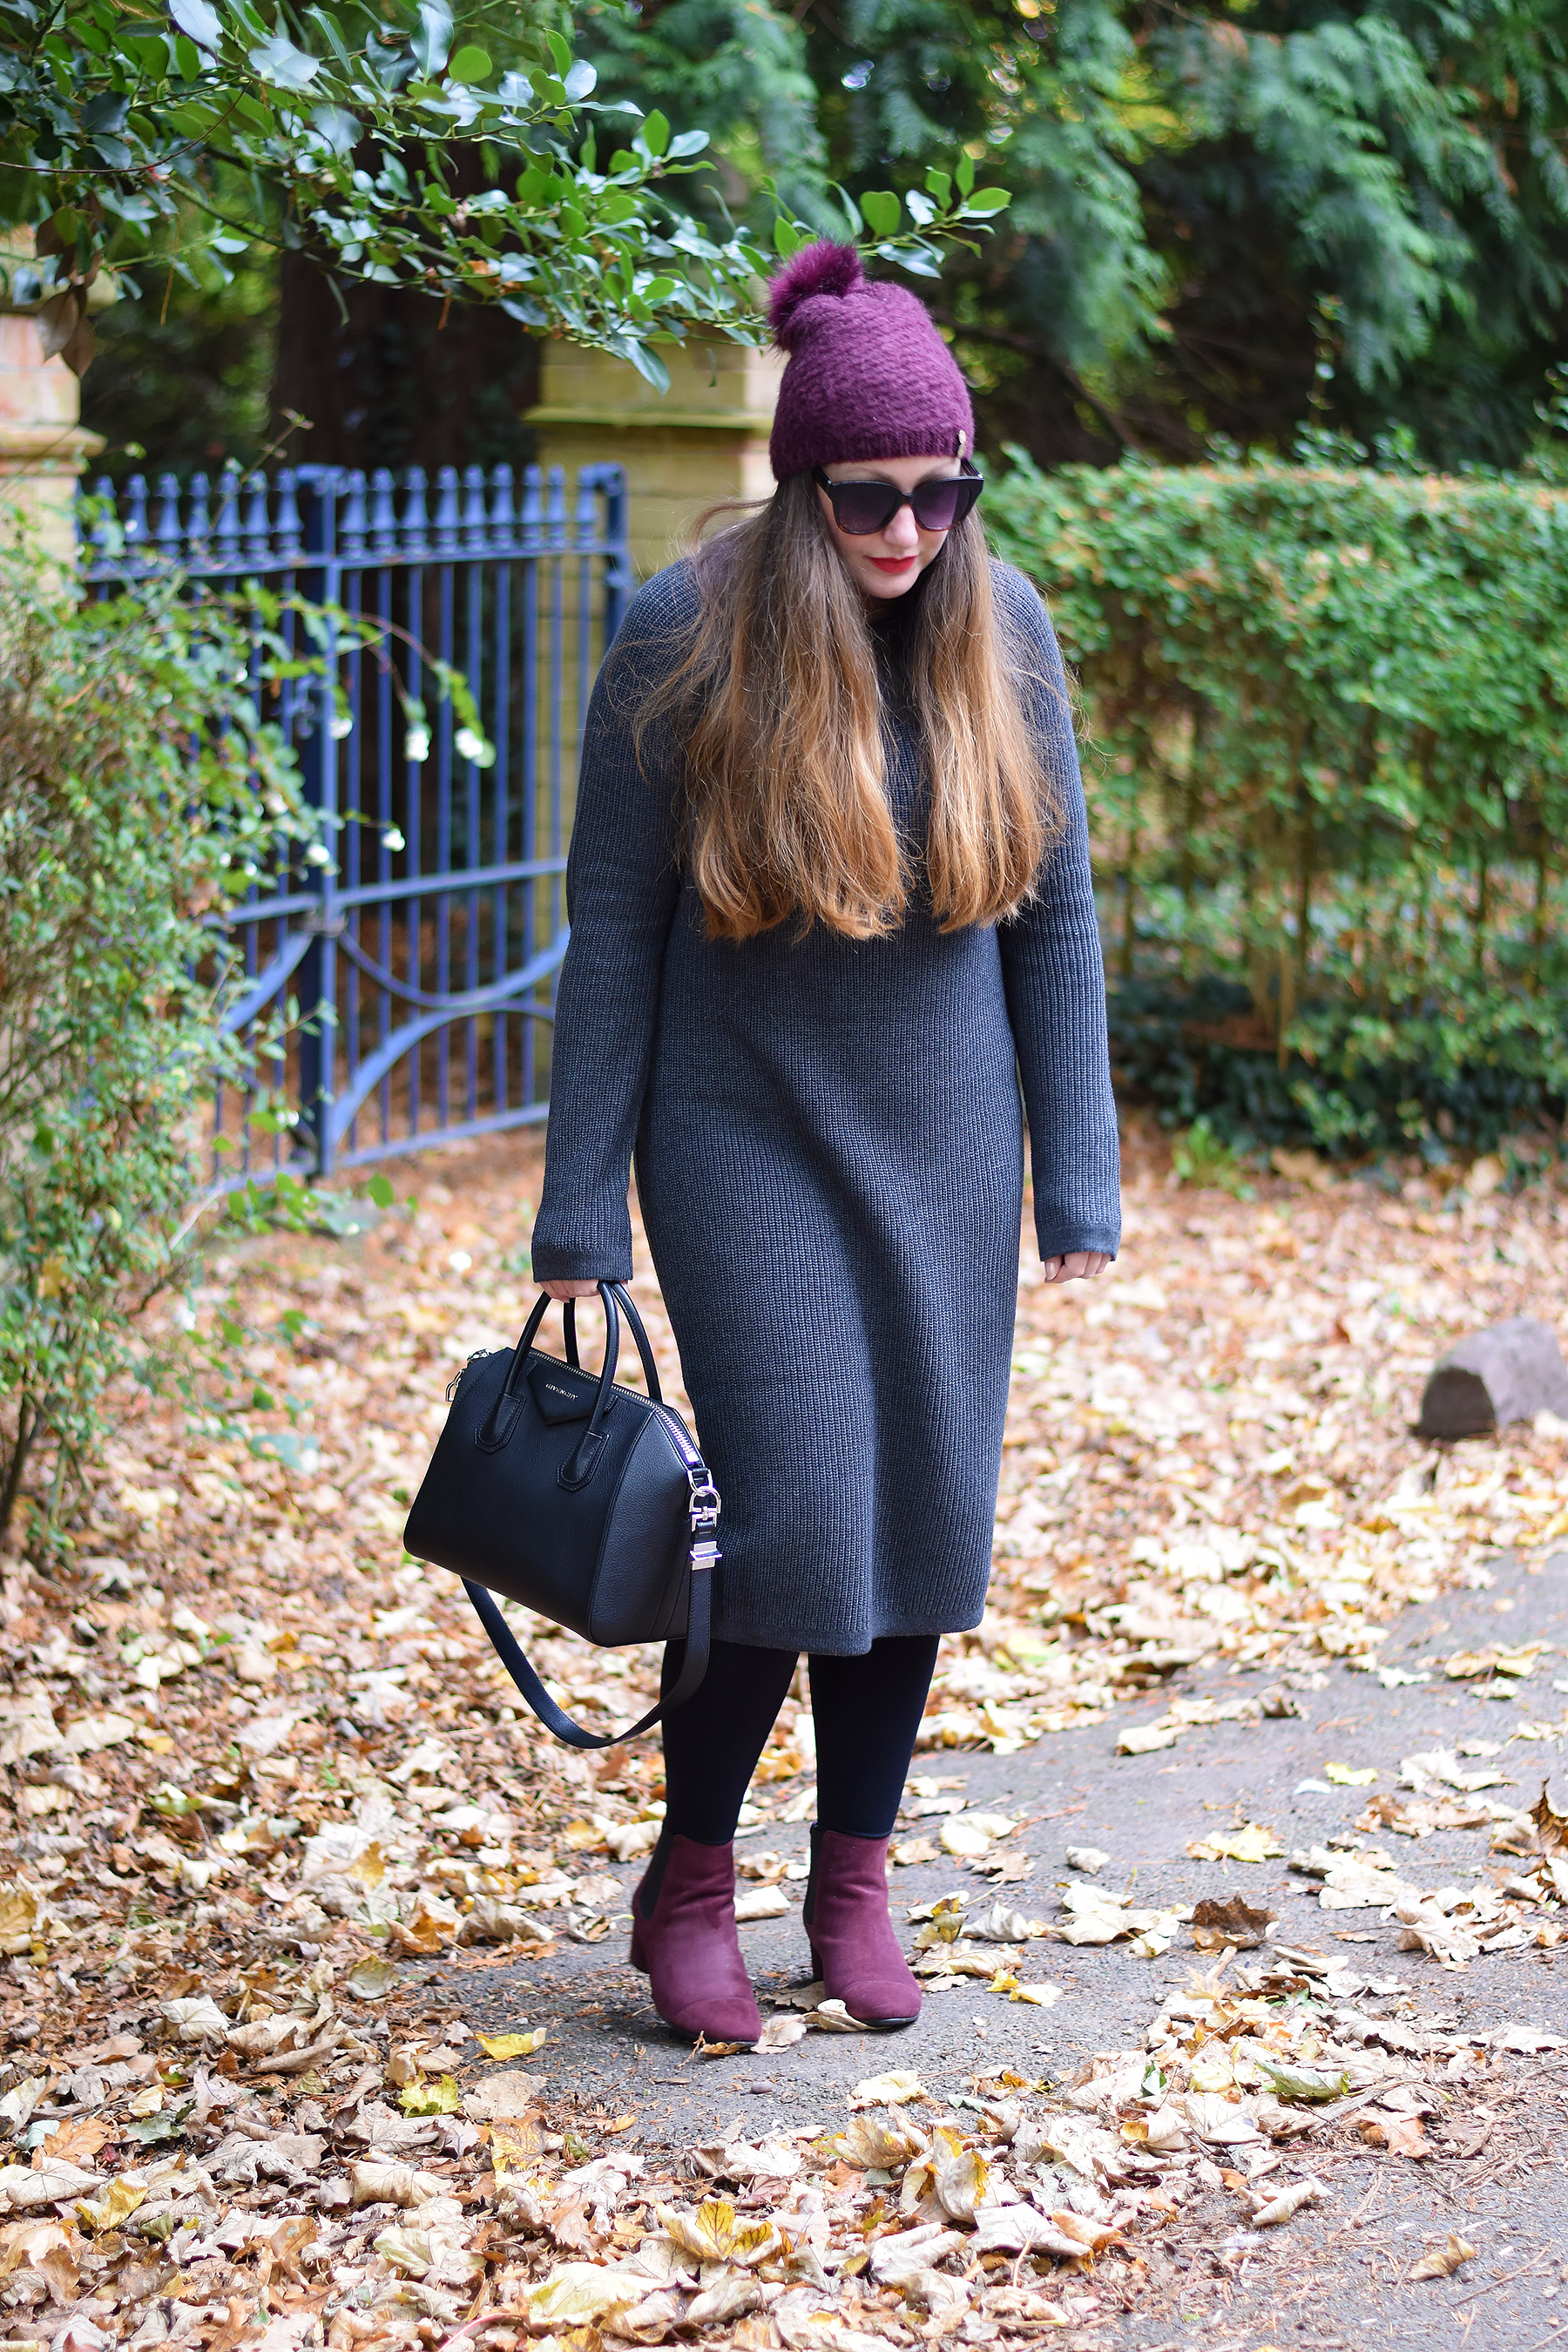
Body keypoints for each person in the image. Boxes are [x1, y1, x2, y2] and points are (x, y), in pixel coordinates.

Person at [530, 238, 1119, 2043]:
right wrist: (580, 1207)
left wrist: (1078, 1173)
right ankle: (688, 1877)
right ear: (801, 480)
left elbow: (1063, 918)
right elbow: (613, 927)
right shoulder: (681, 633)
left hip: (948, 1139)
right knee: (792, 1516)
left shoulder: (998, 628)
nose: (910, 529)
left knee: (925, 1516)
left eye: (944, 492)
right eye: (871, 494)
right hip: (743, 1139)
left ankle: (852, 1880)